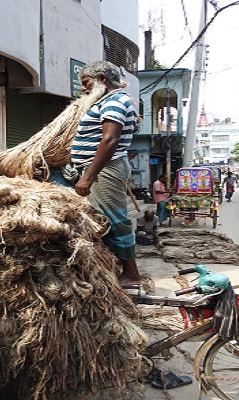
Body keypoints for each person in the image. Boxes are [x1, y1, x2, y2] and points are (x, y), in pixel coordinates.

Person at [70, 61, 141, 289]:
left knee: (115, 219)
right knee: (102, 220)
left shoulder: (115, 100)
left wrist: (89, 176)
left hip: (104, 170)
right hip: (101, 168)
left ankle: (131, 274)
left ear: (102, 79)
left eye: (86, 82)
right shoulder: (108, 101)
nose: (83, 88)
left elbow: (110, 139)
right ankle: (113, 267)